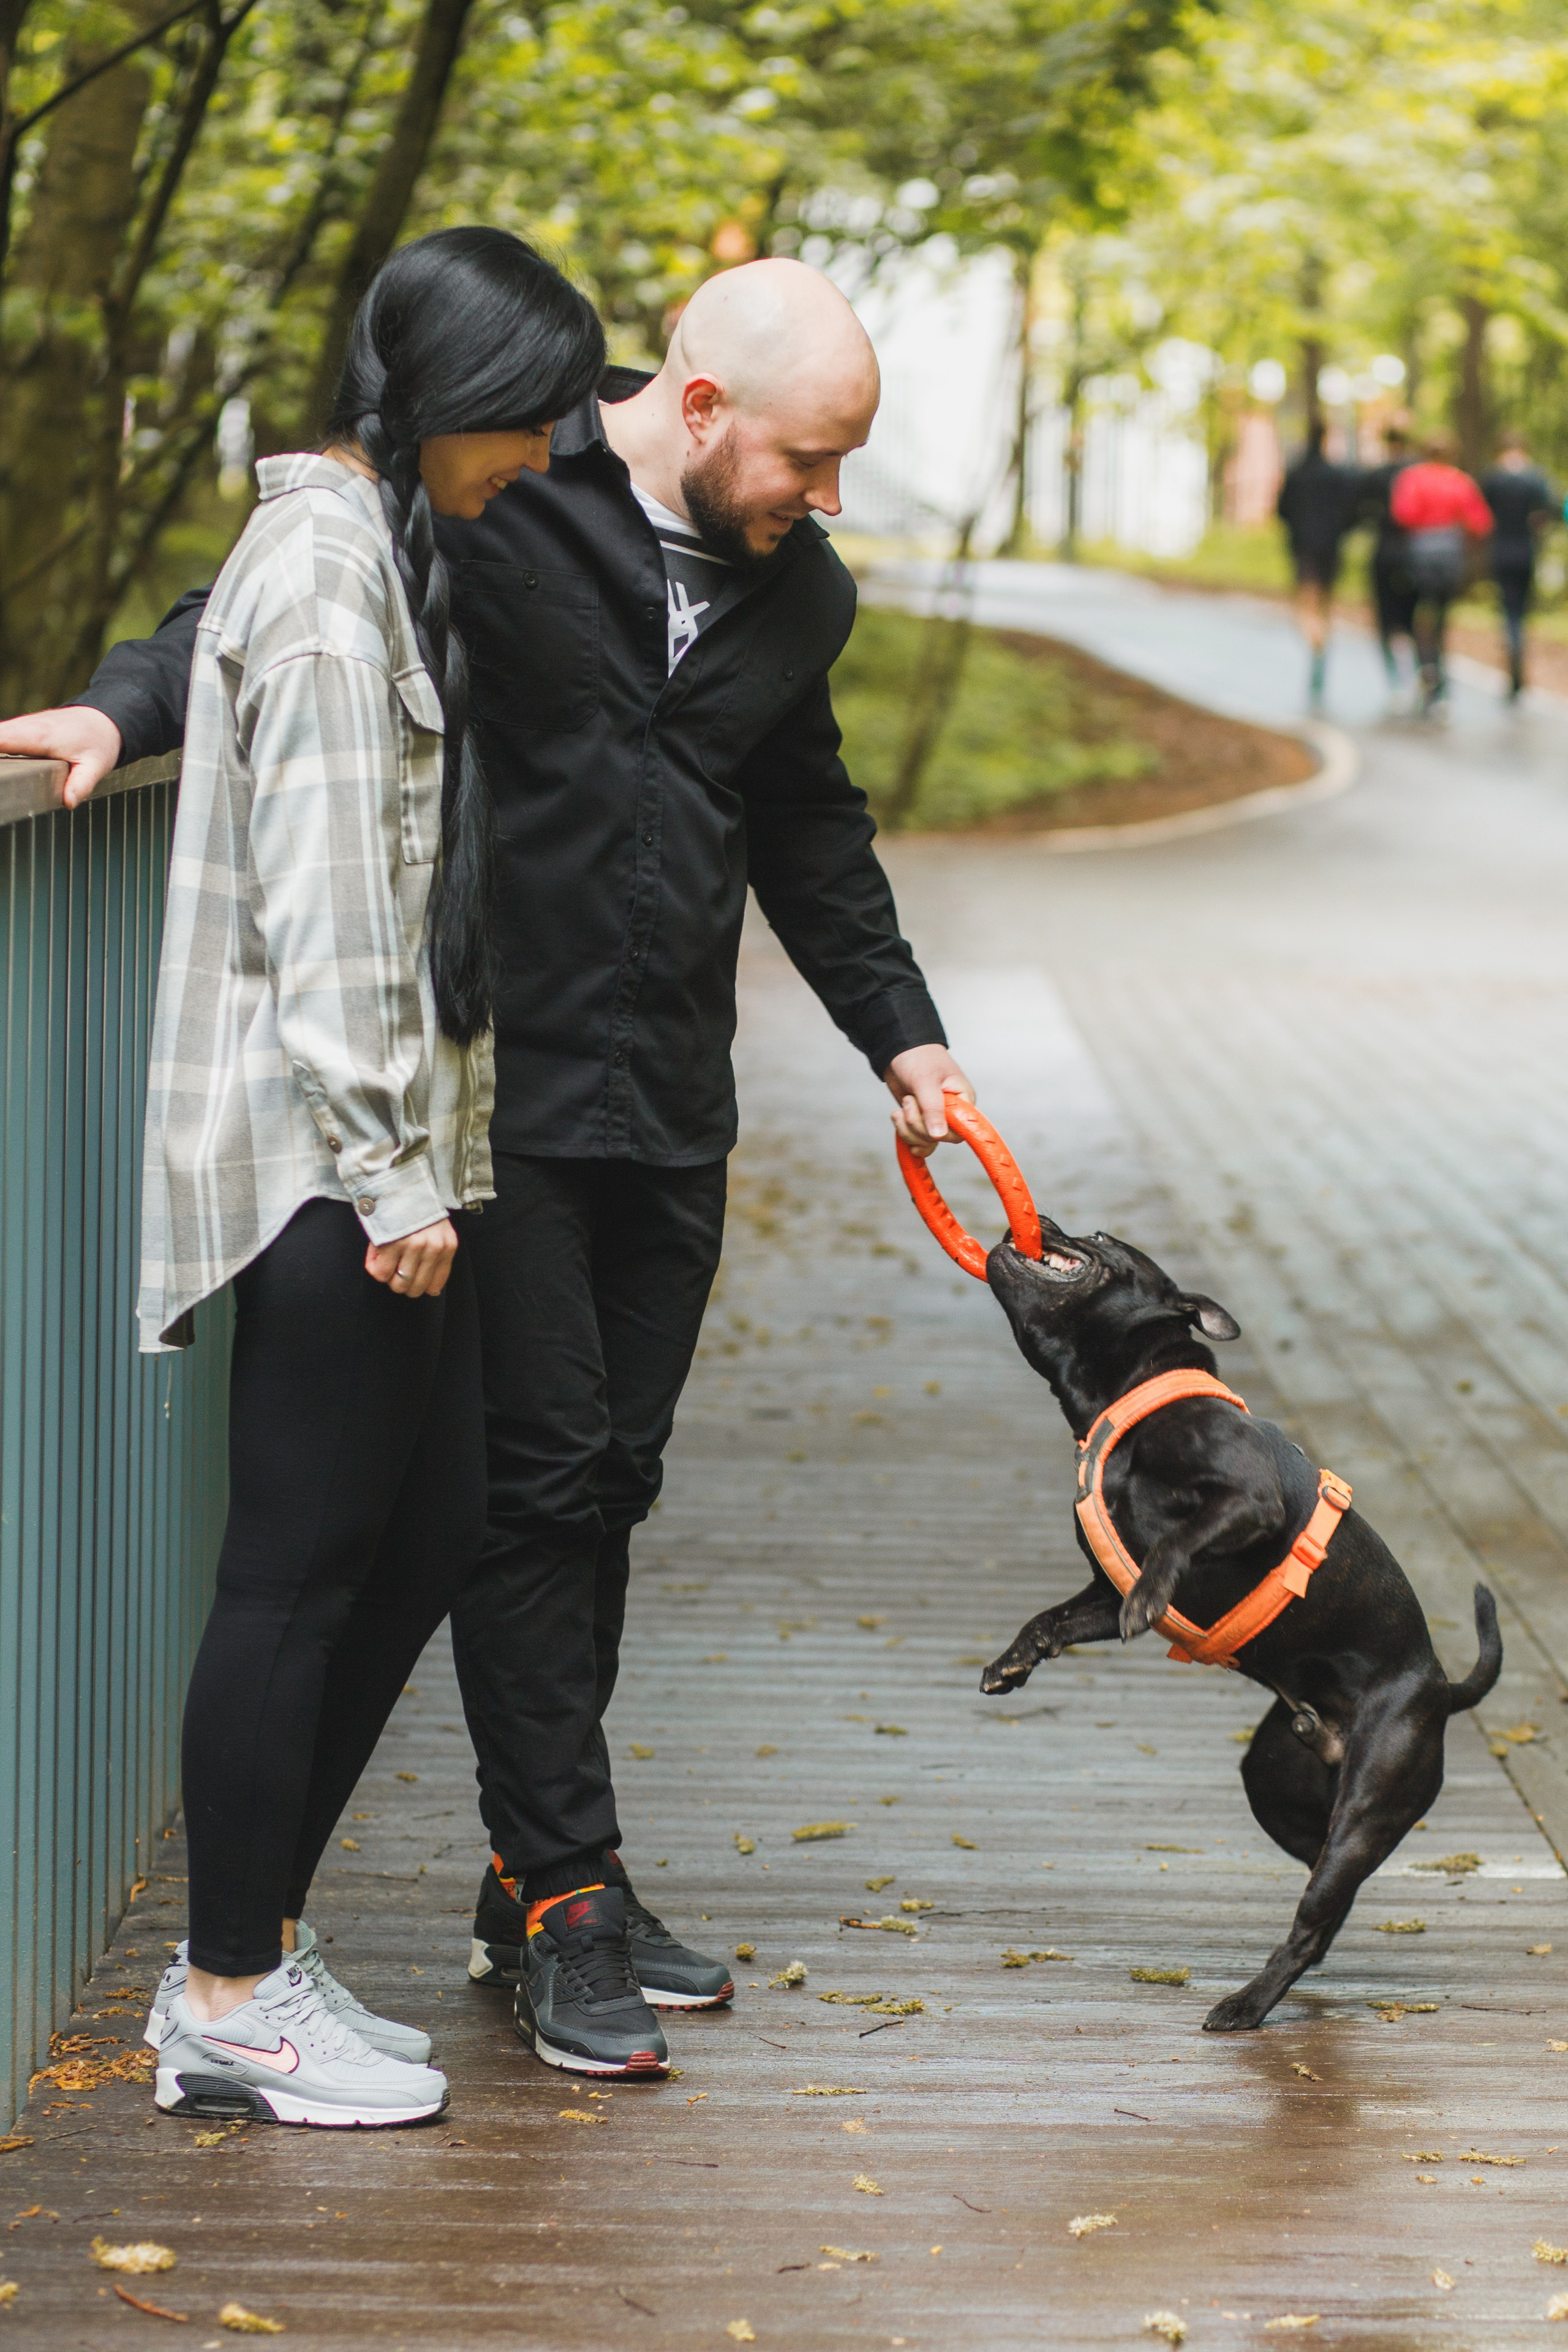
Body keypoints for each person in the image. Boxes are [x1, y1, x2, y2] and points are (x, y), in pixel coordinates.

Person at [1, 259, 973, 2084]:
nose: (829, 498)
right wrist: (117, 711)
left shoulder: (801, 591)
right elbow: (259, 607)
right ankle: (563, 1896)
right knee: (520, 1483)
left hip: (670, 1090)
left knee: (603, 1478)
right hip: (488, 1091)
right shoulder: (509, 473)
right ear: (699, 404)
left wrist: (903, 1036)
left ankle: (539, 1856)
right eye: (813, 456)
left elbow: (808, 815)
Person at [131, 227, 605, 2128]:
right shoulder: (326, 580)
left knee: (419, 1535)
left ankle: (247, 1948)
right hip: (337, 1170)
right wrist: (397, 1178)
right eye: (540, 416)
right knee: (296, 1579)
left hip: (395, 1160)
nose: (556, 454)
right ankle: (229, 1986)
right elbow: (329, 920)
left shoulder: (381, 545)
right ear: (461, 406)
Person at [1388, 431, 1493, 717]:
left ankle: (1428, 670)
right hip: (1450, 554)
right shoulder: (1460, 481)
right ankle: (1438, 675)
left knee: (1420, 615)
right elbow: (1480, 522)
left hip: (1420, 552)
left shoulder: (1412, 478)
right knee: (1440, 618)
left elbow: (1403, 514)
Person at [1275, 421, 1362, 706]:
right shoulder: (1337, 475)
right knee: (1325, 601)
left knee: (1306, 601)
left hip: (1303, 548)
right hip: (1331, 548)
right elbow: (1353, 513)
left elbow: (1281, 511)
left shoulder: (1297, 473)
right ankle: (1320, 641)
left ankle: (1315, 640)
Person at [1479, 431, 1554, 699]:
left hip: (1501, 550)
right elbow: (1548, 513)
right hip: (1526, 550)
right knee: (1522, 608)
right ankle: (1519, 644)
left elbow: (1481, 514)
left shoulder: (1493, 479)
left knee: (1508, 608)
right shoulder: (1536, 478)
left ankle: (1512, 643)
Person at [1356, 417, 1417, 701]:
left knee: (1385, 620)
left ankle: (1395, 682)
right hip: (1413, 554)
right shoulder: (1416, 472)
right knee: (1413, 618)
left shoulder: (1376, 475)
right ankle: (1416, 676)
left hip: (1384, 554)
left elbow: (1361, 513)